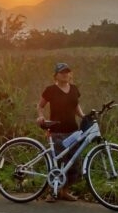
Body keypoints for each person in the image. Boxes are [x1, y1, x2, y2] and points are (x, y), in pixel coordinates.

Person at [36, 62, 85, 202]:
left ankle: (65, 191)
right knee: (56, 163)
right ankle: (52, 192)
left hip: (73, 131)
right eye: (62, 72)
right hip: (56, 131)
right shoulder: (50, 90)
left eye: (67, 72)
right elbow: (40, 106)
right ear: (56, 75)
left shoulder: (74, 89)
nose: (65, 74)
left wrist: (83, 116)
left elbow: (76, 106)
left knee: (73, 163)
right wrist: (40, 116)